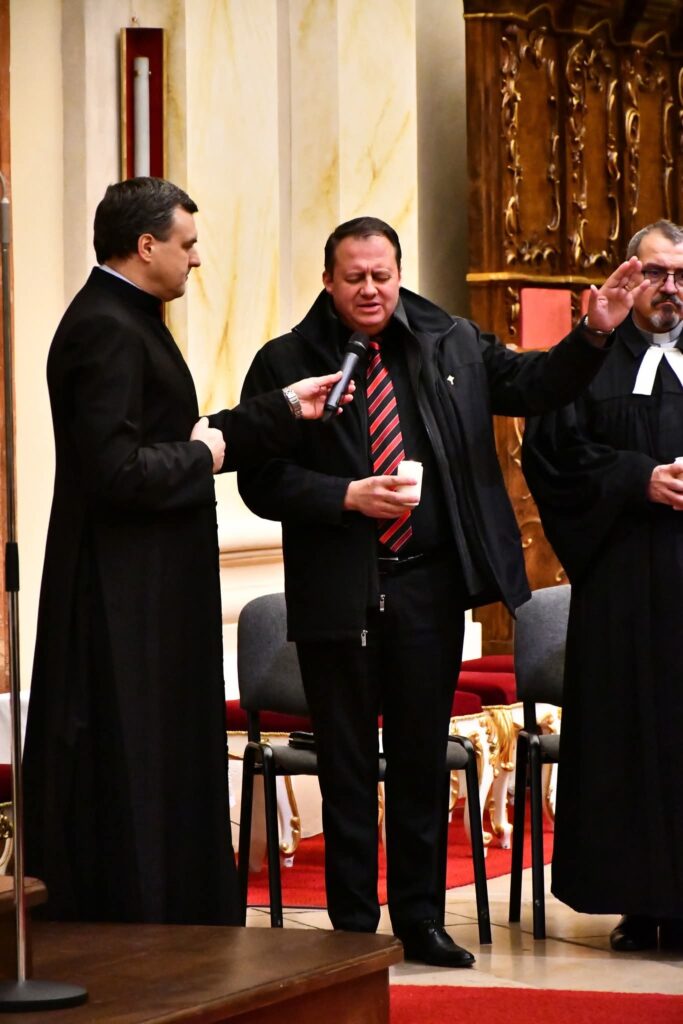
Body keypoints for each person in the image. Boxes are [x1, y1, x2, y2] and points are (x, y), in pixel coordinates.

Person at [237, 216, 645, 966]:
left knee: (422, 761)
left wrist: (594, 333)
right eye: (354, 277)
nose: (370, 290)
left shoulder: (448, 340)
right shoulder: (286, 360)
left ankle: (420, 920)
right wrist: (345, 496)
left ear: (399, 273)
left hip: (426, 583)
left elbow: (532, 386)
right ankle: (351, 929)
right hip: (338, 589)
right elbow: (259, 481)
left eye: (382, 275)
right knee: (347, 765)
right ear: (328, 281)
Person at [23, 177, 350, 925]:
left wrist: (279, 410)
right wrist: (204, 454)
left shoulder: (126, 316)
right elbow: (118, 470)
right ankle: (148, 925)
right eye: (187, 243)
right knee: (134, 765)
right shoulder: (106, 326)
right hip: (123, 594)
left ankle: (179, 919)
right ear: (146, 246)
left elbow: (173, 435)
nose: (197, 259)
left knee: (163, 761)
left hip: (150, 586)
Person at [522, 219, 683, 953]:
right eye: (656, 274)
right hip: (622, 584)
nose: (670, 289)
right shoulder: (589, 359)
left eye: (680, 277)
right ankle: (637, 902)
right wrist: (636, 478)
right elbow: (552, 453)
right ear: (629, 276)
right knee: (628, 738)